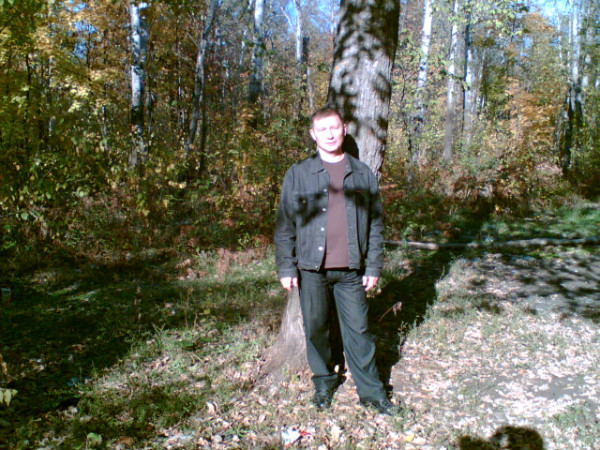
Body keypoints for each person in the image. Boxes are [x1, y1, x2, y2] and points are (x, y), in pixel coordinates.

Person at [274, 107, 399, 415]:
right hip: (310, 269)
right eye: (322, 129)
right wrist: (286, 266)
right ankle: (324, 381)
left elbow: (375, 225)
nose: (329, 134)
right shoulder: (298, 173)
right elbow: (285, 224)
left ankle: (372, 392)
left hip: (351, 271)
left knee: (359, 331)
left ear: (344, 129)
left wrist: (373, 266)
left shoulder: (362, 173)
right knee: (316, 328)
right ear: (313, 134)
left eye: (334, 127)